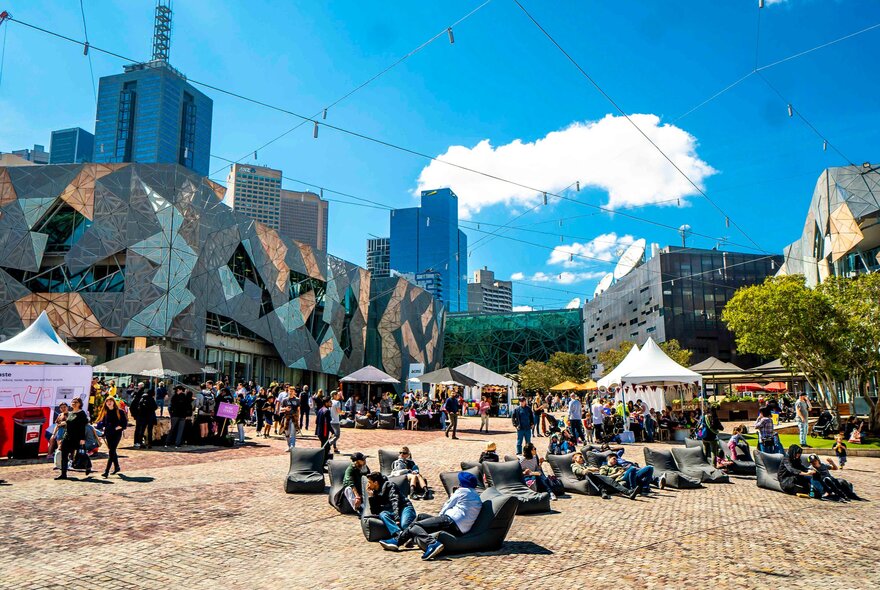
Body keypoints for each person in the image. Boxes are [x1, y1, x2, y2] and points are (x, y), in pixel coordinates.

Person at [380, 471, 483, 560]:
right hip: (461, 526)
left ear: (462, 483)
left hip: (450, 521)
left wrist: (438, 518)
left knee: (416, 526)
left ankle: (432, 544)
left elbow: (447, 506)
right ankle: (400, 540)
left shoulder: (461, 492)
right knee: (420, 517)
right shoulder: (476, 496)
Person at [368, 472, 416, 545]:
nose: (368, 485)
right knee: (382, 514)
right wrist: (371, 498)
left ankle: (410, 535)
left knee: (404, 525)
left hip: (404, 507)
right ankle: (399, 534)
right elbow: (375, 511)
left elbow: (395, 502)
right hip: (391, 511)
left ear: (375, 482)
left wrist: (397, 519)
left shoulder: (390, 486)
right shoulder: (374, 492)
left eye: (369, 482)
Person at [55, 398, 89, 480]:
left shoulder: (81, 414)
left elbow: (82, 427)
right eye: (73, 402)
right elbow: (69, 424)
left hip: (76, 437)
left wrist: (82, 438)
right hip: (67, 437)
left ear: (79, 404)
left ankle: (88, 465)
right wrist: (64, 424)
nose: (73, 403)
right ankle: (63, 474)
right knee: (64, 454)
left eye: (76, 402)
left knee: (81, 453)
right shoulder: (71, 413)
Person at [95, 397, 128, 477]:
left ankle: (106, 471)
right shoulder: (106, 412)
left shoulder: (120, 411)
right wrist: (103, 428)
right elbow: (104, 423)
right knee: (112, 451)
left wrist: (118, 427)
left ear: (113, 402)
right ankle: (117, 467)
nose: (109, 403)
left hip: (116, 434)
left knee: (111, 451)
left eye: (110, 401)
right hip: (108, 434)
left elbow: (124, 423)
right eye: (107, 401)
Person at [133, 384, 157, 449]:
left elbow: (139, 407)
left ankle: (140, 443)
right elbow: (155, 407)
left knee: (142, 430)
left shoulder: (142, 398)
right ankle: (149, 443)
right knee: (149, 431)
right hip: (150, 417)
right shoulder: (151, 399)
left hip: (143, 417)